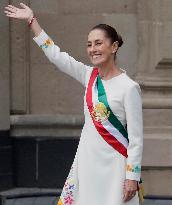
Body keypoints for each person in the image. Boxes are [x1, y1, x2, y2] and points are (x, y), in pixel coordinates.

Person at [4, 3, 144, 205]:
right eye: (89, 44)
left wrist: (132, 176)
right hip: (87, 163)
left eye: (98, 43)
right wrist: (32, 22)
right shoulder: (89, 76)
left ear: (114, 47)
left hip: (115, 167)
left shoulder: (129, 87)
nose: (93, 49)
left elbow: (137, 138)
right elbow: (57, 56)